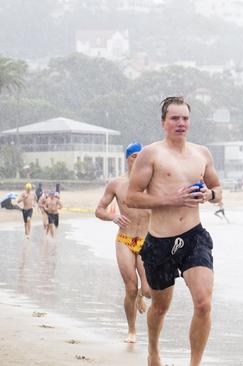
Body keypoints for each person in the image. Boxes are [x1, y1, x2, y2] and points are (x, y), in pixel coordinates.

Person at [125, 96, 221, 366]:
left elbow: (219, 191)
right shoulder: (151, 154)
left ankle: (194, 364)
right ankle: (153, 352)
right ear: (163, 122)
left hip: (194, 237)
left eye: (185, 118)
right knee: (160, 306)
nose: (181, 123)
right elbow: (132, 197)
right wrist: (170, 200)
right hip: (159, 242)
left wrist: (209, 194)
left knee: (203, 303)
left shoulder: (202, 154)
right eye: (175, 118)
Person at [95, 142, 152, 343]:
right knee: (130, 287)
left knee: (148, 290)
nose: (137, 159)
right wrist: (113, 217)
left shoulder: (152, 184)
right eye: (133, 156)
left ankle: (140, 296)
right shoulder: (116, 184)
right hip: (125, 240)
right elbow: (99, 210)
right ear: (127, 159)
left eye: (141, 156)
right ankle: (131, 330)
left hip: (146, 241)